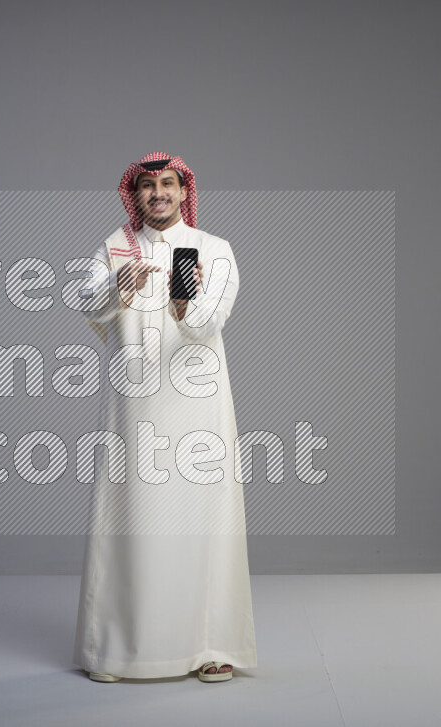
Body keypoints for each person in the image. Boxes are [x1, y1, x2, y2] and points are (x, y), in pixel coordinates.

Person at [73, 152, 257, 683]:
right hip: (135, 403)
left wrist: (185, 303)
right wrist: (118, 284)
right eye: (148, 186)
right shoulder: (114, 247)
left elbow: (210, 322)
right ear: (136, 196)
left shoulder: (215, 251)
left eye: (169, 184)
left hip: (198, 407)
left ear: (183, 192)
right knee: (132, 516)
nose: (159, 193)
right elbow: (87, 303)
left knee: (204, 517)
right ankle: (115, 649)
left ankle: (210, 646)